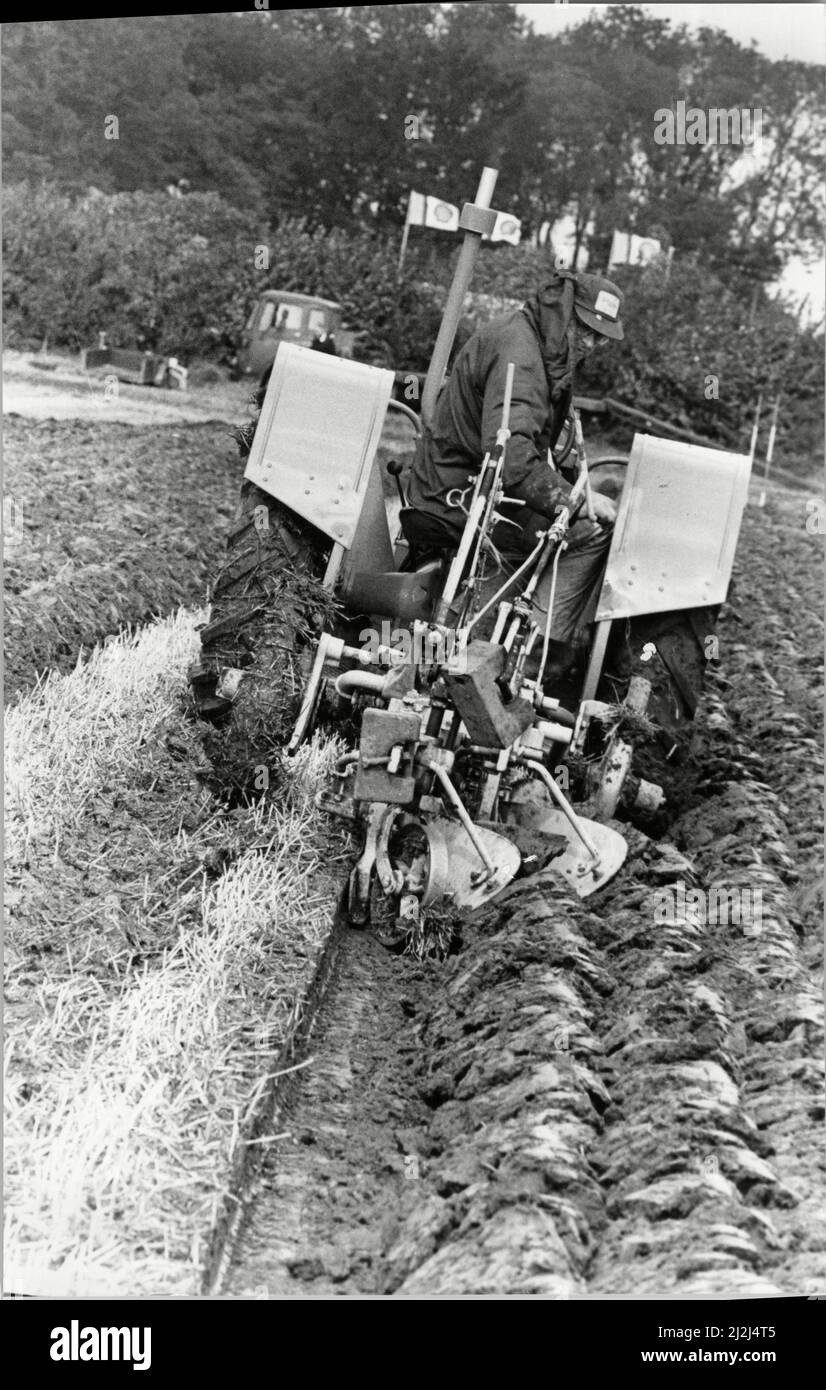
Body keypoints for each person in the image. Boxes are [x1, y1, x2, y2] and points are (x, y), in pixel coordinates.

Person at [405, 269, 624, 677]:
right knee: (594, 533)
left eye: (601, 338)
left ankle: (515, 640)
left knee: (581, 519)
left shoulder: (539, 346)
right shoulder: (521, 354)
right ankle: (531, 654)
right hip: (462, 495)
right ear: (564, 315)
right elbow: (512, 455)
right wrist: (577, 501)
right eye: (587, 330)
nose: (592, 344)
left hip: (471, 484)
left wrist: (574, 482)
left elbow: (536, 442)